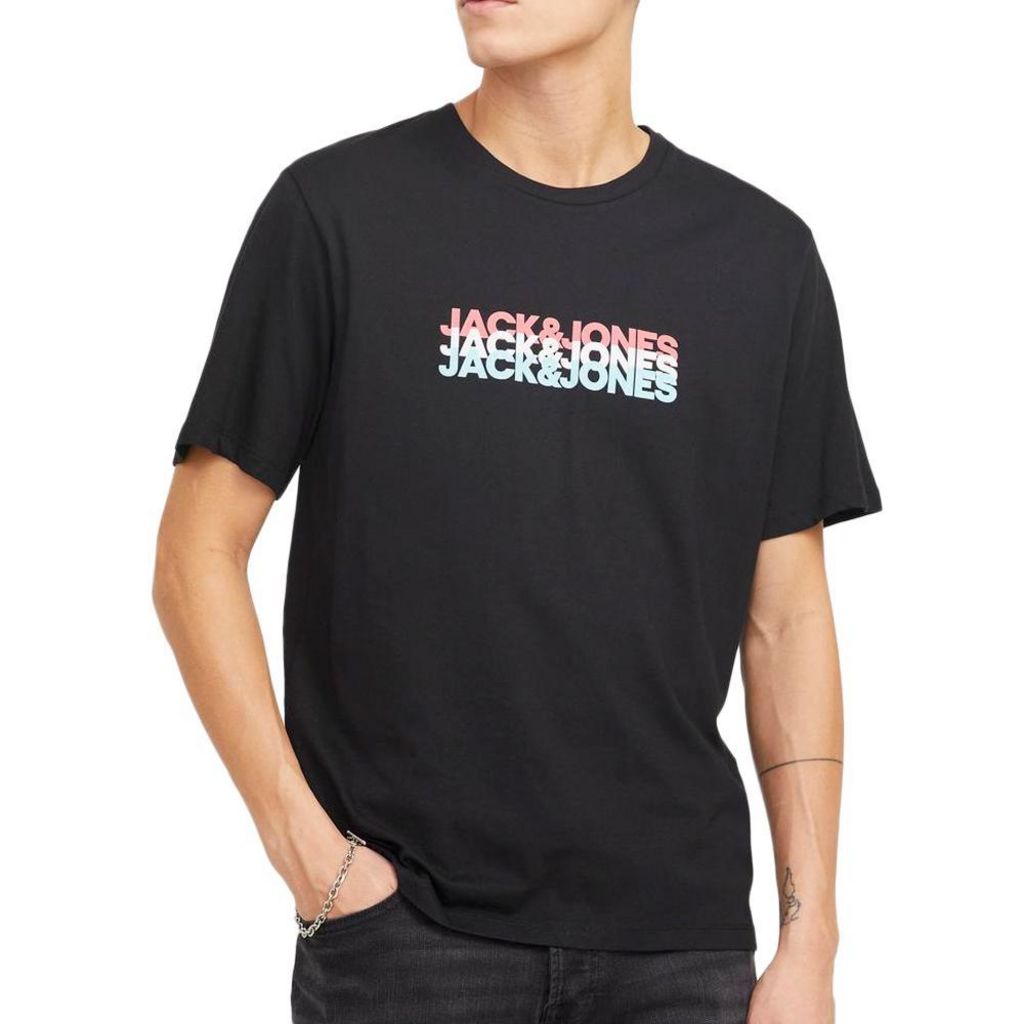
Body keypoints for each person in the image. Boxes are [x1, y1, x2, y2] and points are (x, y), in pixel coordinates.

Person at [153, 1, 881, 1021]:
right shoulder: (338, 211)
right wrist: (315, 862)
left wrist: (811, 938)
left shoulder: (762, 260)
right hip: (407, 941)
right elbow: (195, 551)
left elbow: (787, 617)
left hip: (680, 954)